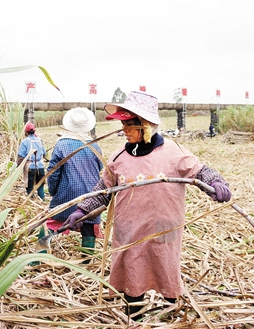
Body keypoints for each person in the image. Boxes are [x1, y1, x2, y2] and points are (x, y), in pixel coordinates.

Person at [64, 91, 231, 320]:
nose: (125, 130)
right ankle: (136, 319)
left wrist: (215, 183)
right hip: (129, 231)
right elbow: (102, 191)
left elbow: (199, 170)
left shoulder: (172, 152)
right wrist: (82, 211)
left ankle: (175, 315)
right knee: (132, 274)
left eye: (131, 125)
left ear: (147, 125)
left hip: (164, 227)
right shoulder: (118, 157)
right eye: (124, 125)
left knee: (166, 268)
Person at [41, 107, 104, 261]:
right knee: (88, 225)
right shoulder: (94, 145)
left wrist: (54, 191)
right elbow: (100, 167)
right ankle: (86, 261)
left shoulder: (62, 144)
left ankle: (39, 257)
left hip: (67, 193)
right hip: (92, 195)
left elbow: (53, 171)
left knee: (51, 222)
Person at [17, 123, 46, 200]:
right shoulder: (40, 140)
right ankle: (42, 202)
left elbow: (21, 157)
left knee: (29, 187)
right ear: (34, 131)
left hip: (30, 167)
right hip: (40, 167)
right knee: (40, 186)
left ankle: (31, 202)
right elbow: (44, 154)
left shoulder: (25, 142)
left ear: (26, 132)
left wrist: (18, 167)